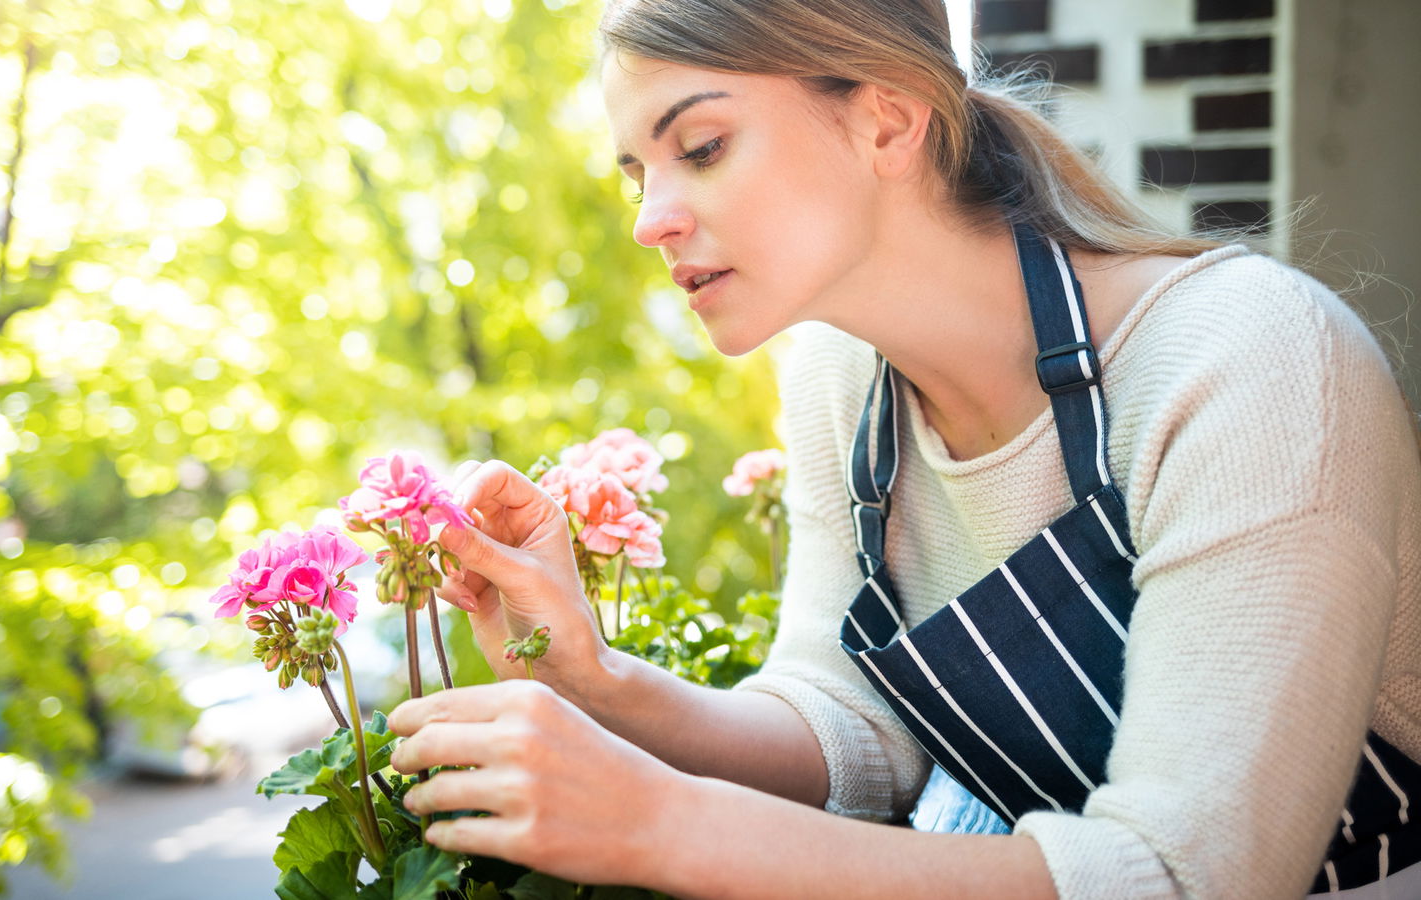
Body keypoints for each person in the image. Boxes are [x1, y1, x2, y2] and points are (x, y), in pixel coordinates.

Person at [384, 0, 1421, 897]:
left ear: (887, 116)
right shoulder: (844, 382)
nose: (650, 219)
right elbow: (851, 731)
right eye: (634, 172)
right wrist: (596, 675)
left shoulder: (1247, 362)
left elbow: (1184, 877)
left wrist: (664, 825)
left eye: (698, 147)